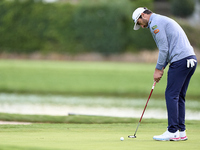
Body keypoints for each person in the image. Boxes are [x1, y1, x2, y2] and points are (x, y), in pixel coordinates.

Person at [132, 7, 197, 141]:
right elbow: (169, 48)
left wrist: (158, 68)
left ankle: (172, 131)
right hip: (191, 59)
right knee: (179, 96)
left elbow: (164, 49)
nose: (142, 26)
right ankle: (181, 132)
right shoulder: (161, 19)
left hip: (180, 60)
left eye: (139, 23)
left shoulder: (155, 23)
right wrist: (162, 68)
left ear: (143, 15)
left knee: (171, 94)